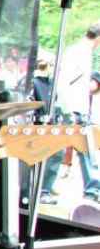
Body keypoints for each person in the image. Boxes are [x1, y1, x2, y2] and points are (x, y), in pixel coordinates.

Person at [38, 23, 100, 204]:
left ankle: (92, 189)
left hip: (75, 109)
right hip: (68, 108)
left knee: (85, 148)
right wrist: (68, 110)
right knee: (58, 150)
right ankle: (43, 190)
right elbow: (63, 82)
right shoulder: (77, 53)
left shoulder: (81, 52)